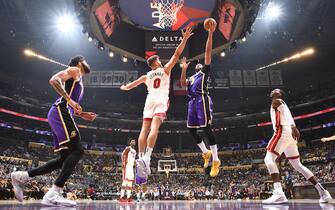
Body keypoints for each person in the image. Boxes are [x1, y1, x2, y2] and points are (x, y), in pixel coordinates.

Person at [11, 56, 96, 207]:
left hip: (61, 113)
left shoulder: (78, 79)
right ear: (79, 62)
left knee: (63, 159)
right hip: (60, 112)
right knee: (78, 150)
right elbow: (54, 80)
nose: (88, 63)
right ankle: (54, 192)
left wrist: (82, 114)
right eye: (85, 60)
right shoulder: (75, 70)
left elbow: (69, 103)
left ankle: (21, 176)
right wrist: (69, 100)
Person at [120, 27, 193, 183]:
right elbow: (177, 54)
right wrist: (185, 38)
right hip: (160, 100)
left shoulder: (146, 75)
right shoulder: (165, 70)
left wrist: (125, 87)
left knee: (144, 130)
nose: (161, 61)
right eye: (159, 60)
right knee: (154, 129)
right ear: (156, 63)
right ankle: (147, 157)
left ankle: (141, 157)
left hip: (149, 100)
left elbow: (132, 85)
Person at [262, 89, 332, 204]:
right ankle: (323, 192)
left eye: (277, 90)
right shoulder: (281, 103)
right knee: (297, 165)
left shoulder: (277, 101)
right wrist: (293, 127)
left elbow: (286, 112)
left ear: (280, 95)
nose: (274, 90)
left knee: (268, 159)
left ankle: (279, 193)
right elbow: (286, 112)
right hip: (289, 135)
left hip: (282, 131)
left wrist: (293, 126)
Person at [179, 20, 221, 177]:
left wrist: (210, 32)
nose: (198, 64)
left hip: (202, 100)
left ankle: (216, 160)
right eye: (195, 64)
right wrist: (183, 69)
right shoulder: (191, 77)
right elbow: (182, 83)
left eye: (199, 63)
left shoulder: (204, 72)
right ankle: (206, 153)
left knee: (207, 129)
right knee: (191, 130)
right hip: (191, 103)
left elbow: (208, 52)